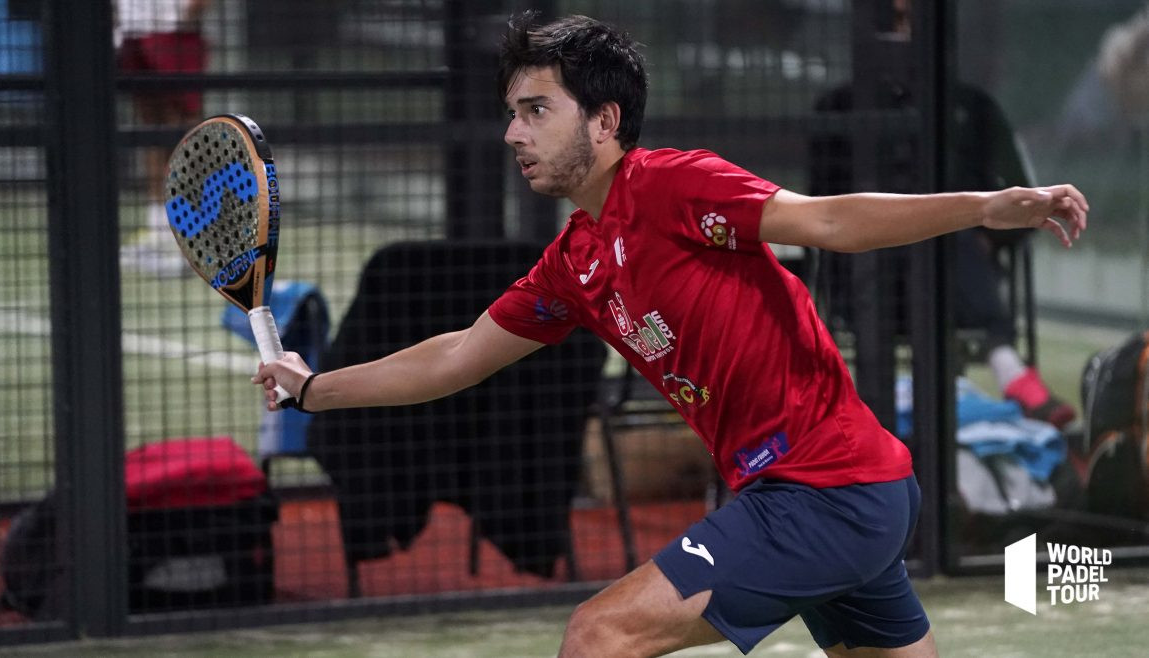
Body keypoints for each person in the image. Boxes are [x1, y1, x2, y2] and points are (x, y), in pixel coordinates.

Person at [254, 13, 1088, 658]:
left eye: (536, 110)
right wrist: (315, 387)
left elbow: (827, 220)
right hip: (834, 496)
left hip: (821, 491)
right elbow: (458, 355)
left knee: (598, 635)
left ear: (605, 120)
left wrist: (984, 204)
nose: (513, 132)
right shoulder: (573, 262)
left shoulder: (674, 186)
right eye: (511, 112)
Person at [810, 0, 1076, 430]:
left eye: (914, 20)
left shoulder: (975, 107)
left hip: (955, 283)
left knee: (949, 225)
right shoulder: (835, 109)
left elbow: (1021, 191)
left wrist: (993, 233)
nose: (904, 34)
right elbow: (817, 206)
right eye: (894, 21)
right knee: (902, 230)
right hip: (866, 281)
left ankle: (1008, 369)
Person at [115, 0, 212, 277]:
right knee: (151, 129)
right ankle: (159, 232)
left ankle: (197, 235)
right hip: (133, 28)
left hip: (174, 31)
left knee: (183, 127)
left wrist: (186, 13)